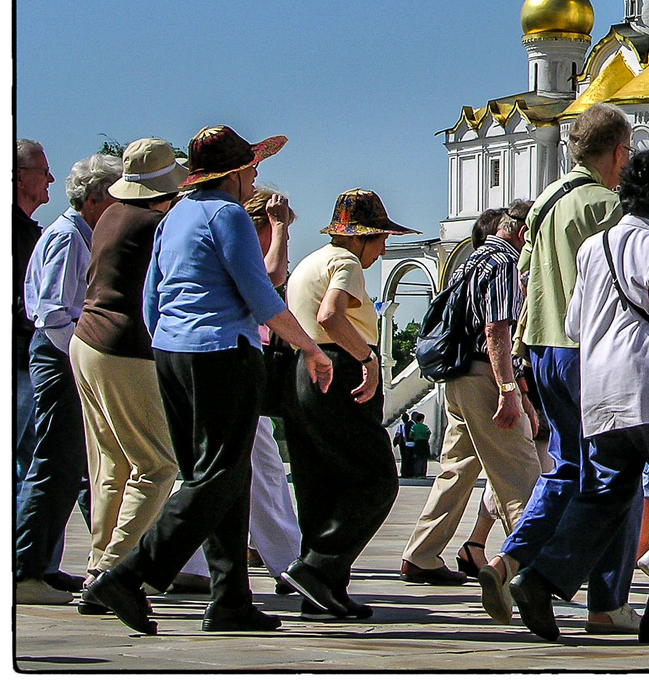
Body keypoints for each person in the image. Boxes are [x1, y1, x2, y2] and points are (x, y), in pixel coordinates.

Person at [86, 126, 334, 635]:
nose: (256, 174)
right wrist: (309, 348)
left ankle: (230, 600)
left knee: (221, 476)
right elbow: (260, 293)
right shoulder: (229, 215)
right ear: (235, 172)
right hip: (222, 354)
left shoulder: (174, 216)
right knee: (218, 477)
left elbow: (151, 298)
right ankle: (129, 575)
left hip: (172, 353)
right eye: (252, 167)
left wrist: (170, 344)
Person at [489, 148, 649, 645]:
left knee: (604, 499)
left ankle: (541, 577)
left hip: (601, 395)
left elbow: (574, 323)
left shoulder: (594, 248)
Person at [478, 104, 641, 634]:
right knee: (619, 473)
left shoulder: (546, 201)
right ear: (618, 152)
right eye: (628, 152)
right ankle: (606, 601)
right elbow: (628, 277)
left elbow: (525, 273)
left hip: (543, 348)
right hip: (589, 351)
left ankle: (510, 559)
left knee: (568, 466)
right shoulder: (607, 205)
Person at [281, 189, 417, 619]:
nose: (384, 248)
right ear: (360, 238)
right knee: (377, 480)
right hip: (338, 368)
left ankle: (320, 591)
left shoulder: (308, 263)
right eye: (380, 238)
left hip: (301, 371)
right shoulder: (346, 262)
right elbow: (330, 316)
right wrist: (367, 358)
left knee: (318, 486)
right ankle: (318, 568)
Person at [171, 188, 304, 596]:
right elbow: (270, 279)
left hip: (193, 353)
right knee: (247, 467)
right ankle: (288, 560)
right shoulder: (236, 234)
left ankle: (191, 561)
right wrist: (278, 228)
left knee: (222, 465)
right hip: (227, 357)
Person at [69, 140, 185, 599]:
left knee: (112, 464)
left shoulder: (112, 214)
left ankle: (98, 560)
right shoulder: (156, 224)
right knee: (159, 464)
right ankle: (111, 573)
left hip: (87, 341)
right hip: (124, 348)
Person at [400, 208, 539, 586]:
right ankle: (534, 566)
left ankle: (421, 554)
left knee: (456, 470)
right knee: (519, 471)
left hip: (457, 375)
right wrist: (509, 389)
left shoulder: (471, 260)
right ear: (524, 232)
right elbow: (496, 329)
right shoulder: (506, 263)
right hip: (485, 375)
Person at [16, 152, 122, 604]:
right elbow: (55, 313)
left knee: (67, 465)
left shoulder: (78, 234)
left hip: (64, 353)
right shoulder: (67, 238)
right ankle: (26, 570)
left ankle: (42, 564)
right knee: (52, 462)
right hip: (60, 355)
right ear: (96, 198)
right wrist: (83, 357)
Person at [15, 140, 53, 486]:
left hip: (25, 357)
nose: (50, 179)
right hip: (17, 360)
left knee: (30, 463)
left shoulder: (31, 232)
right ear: (20, 178)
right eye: (43, 172)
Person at [407, 411, 432, 476]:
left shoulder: (414, 427)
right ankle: (423, 473)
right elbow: (428, 433)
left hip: (417, 443)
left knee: (418, 459)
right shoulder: (425, 427)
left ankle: (418, 473)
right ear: (422, 419)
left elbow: (411, 435)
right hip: (425, 443)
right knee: (424, 459)